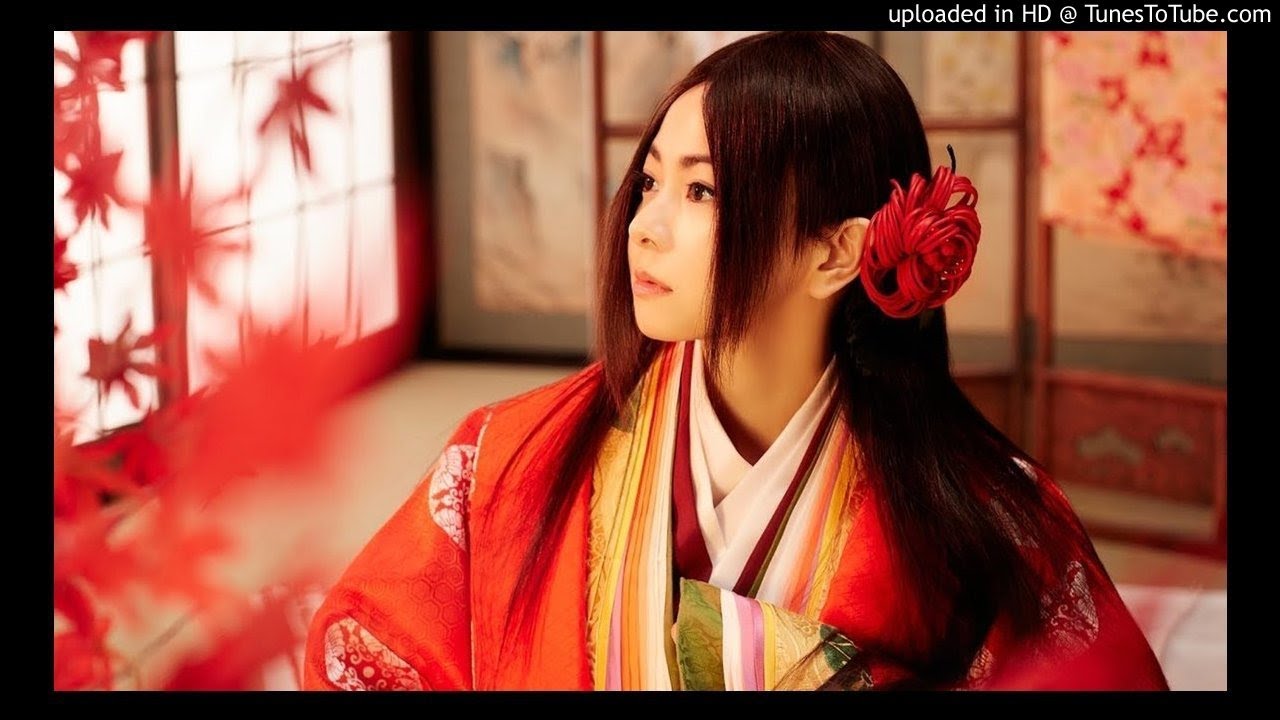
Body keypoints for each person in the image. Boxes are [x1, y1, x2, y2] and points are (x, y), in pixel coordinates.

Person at [302, 31, 1169, 691]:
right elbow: (367, 649)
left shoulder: (990, 528)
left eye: (701, 190)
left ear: (836, 252)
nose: (644, 226)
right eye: (650, 182)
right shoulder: (506, 460)